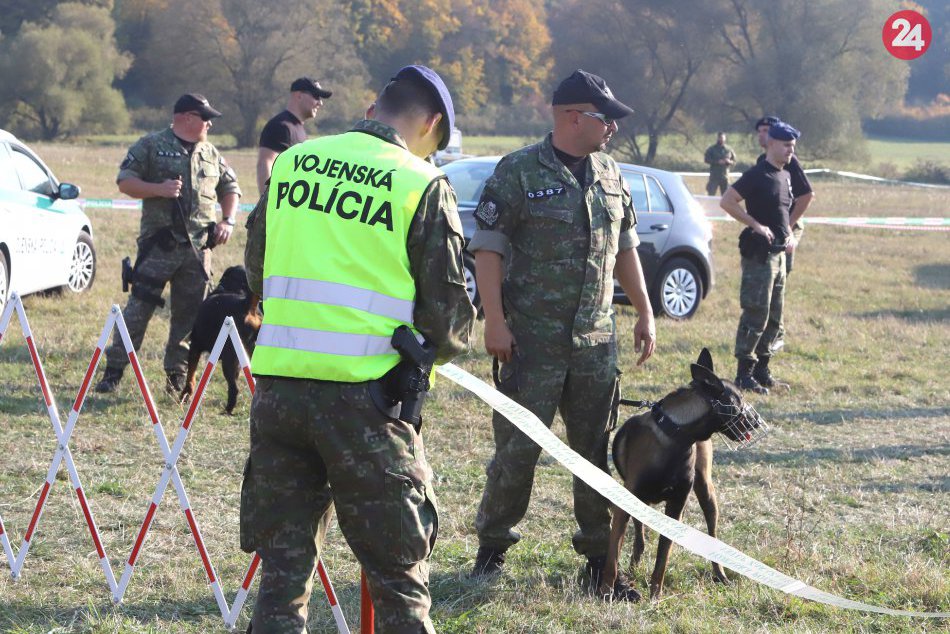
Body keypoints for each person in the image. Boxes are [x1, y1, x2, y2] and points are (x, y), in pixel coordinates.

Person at [240, 65, 476, 633]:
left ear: (375, 108)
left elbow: (256, 270)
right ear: (432, 125)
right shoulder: (418, 182)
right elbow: (447, 321)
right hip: (368, 405)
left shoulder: (295, 161)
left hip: (280, 394)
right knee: (399, 580)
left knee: (281, 579)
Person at [467, 69, 656, 598]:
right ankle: (492, 548)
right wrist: (496, 321)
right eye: (606, 118)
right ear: (573, 116)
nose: (613, 127)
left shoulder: (612, 174)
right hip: (530, 344)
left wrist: (644, 310)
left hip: (596, 344)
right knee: (517, 451)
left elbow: (626, 249)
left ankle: (600, 563)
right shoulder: (518, 171)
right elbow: (488, 248)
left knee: (593, 453)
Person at [95, 93, 241, 394]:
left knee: (189, 316)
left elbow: (231, 187)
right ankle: (114, 371)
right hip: (159, 247)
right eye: (205, 117)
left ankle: (177, 374)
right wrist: (157, 189)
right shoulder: (151, 145)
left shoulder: (211, 153)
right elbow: (125, 181)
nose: (210, 123)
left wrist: (228, 220)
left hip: (198, 249)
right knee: (138, 310)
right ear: (187, 117)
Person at [719, 121, 801, 395]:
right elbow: (727, 201)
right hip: (760, 255)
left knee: (775, 315)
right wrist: (754, 224)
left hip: (779, 254)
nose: (791, 151)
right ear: (773, 144)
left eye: (793, 146)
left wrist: (788, 232)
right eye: (787, 146)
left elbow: (783, 213)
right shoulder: (757, 174)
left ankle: (762, 369)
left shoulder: (785, 175)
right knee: (757, 312)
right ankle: (744, 373)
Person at [754, 116, 815, 275]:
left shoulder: (789, 160)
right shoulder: (762, 160)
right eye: (759, 131)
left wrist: (789, 225)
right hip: (772, 222)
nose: (761, 135)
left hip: (789, 220)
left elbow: (806, 195)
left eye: (766, 131)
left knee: (780, 271)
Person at [256, 77, 333, 193]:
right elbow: (266, 163)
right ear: (299, 95)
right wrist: (268, 205)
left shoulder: (298, 128)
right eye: (316, 96)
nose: (320, 103)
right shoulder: (280, 126)